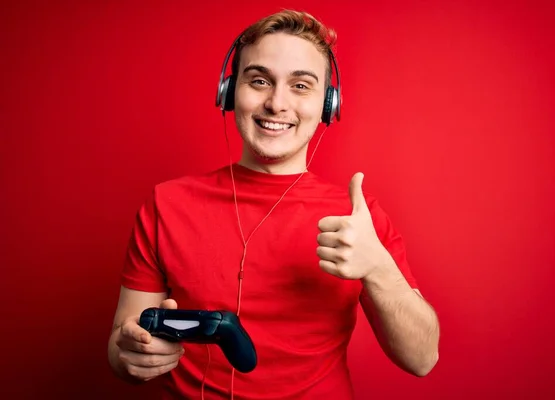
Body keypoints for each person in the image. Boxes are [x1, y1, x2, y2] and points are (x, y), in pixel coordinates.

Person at [107, 9, 440, 400]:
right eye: (260, 81)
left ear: (328, 105)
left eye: (301, 86)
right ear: (229, 93)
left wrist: (379, 268)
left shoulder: (357, 219)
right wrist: (130, 354)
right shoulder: (166, 203)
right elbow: (120, 345)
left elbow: (422, 359)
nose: (276, 103)